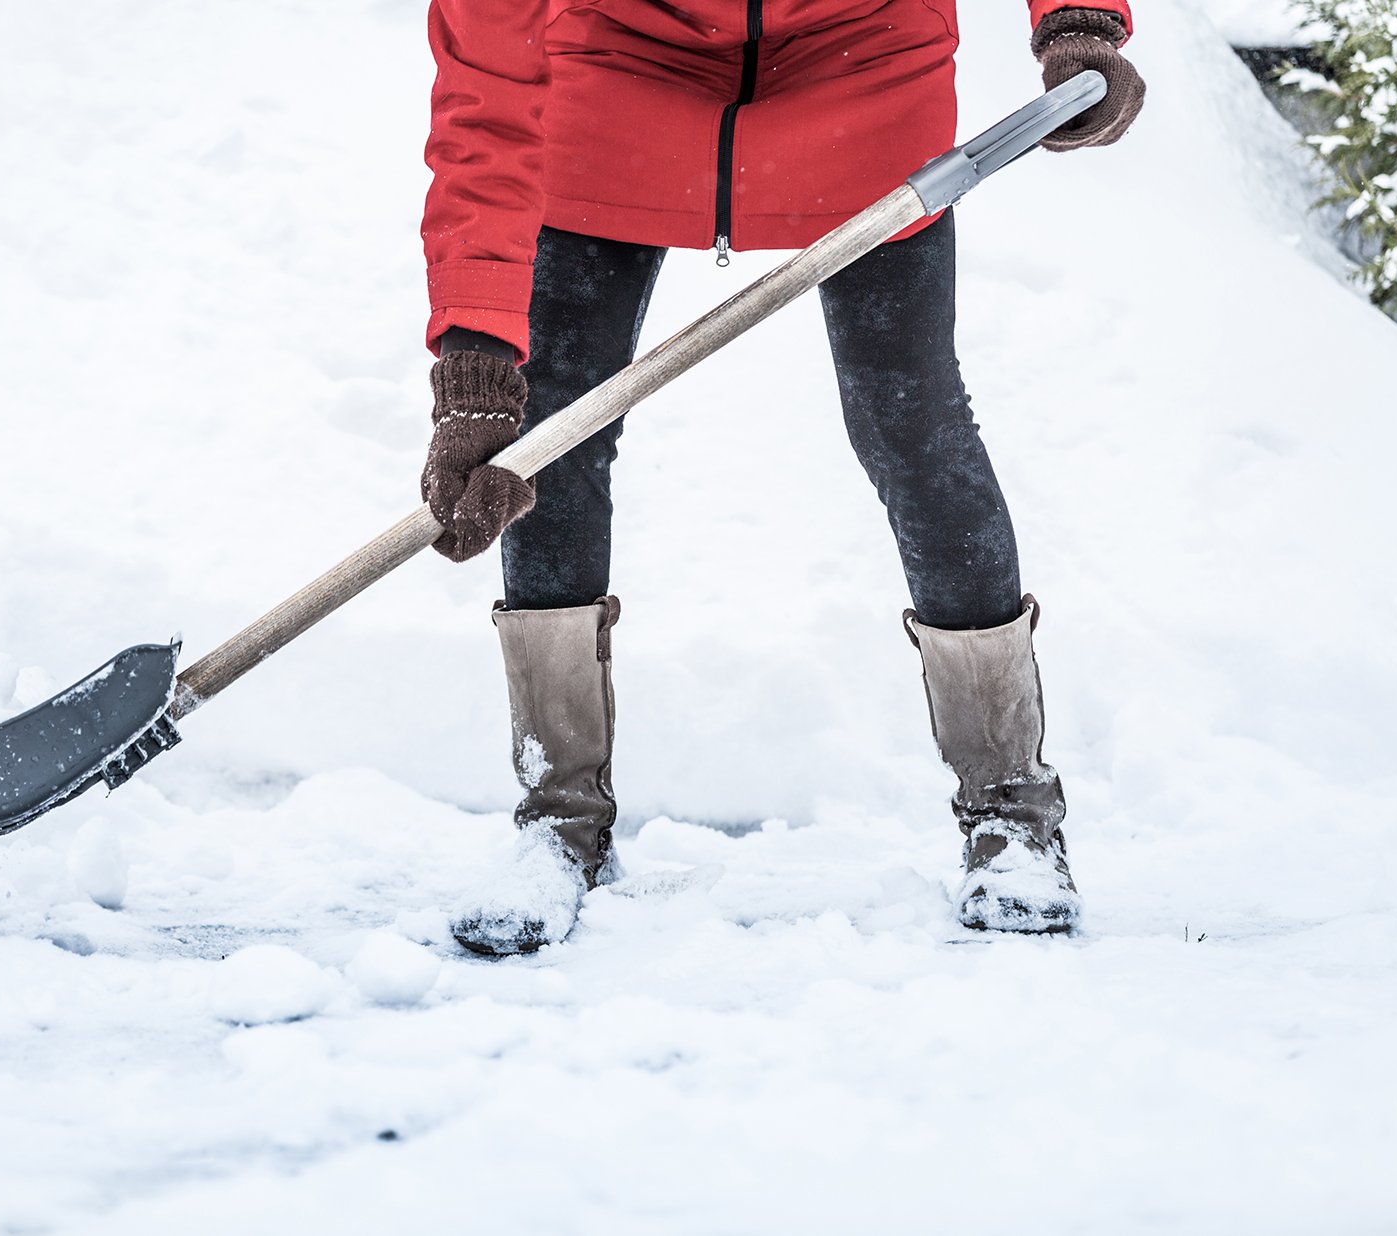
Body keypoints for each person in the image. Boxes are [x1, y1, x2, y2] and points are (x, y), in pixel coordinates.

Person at [416, 1, 1144, 955]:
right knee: (553, 435)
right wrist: (475, 356)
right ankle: (558, 820)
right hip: (612, 86)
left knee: (911, 423)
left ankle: (1013, 814)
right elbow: (488, 90)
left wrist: (1080, 20)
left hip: (868, 70)